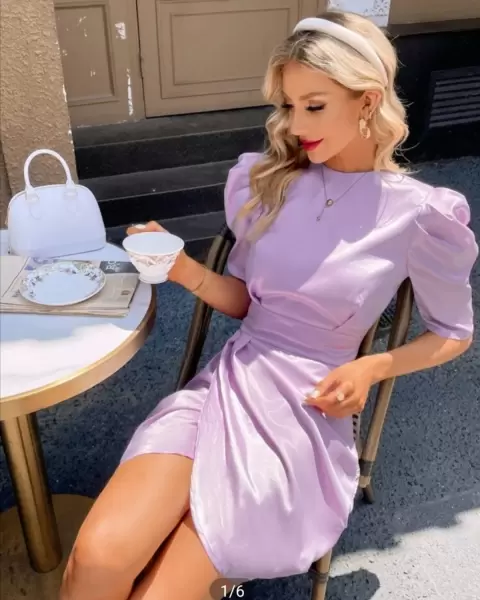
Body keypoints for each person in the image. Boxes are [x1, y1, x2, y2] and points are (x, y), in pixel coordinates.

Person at [60, 10, 478, 600]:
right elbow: (247, 305)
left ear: (367, 100)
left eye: (314, 105)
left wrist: (372, 366)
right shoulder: (269, 182)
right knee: (95, 560)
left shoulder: (421, 214)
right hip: (230, 383)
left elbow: (454, 333)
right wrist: (182, 268)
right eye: (287, 105)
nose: (295, 125)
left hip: (305, 412)